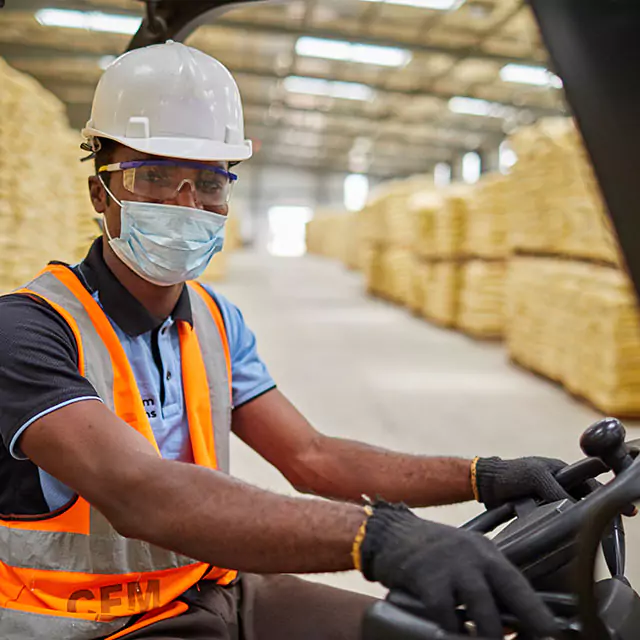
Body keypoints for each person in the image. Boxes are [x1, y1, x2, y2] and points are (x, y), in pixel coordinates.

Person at [0, 42, 568, 640]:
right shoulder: (27, 330)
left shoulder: (217, 321)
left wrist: (484, 475)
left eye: (209, 183)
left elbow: (312, 456)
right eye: (156, 177)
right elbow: (140, 493)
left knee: (433, 630)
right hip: (89, 623)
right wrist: (373, 537)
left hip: (210, 590)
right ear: (100, 194)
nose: (185, 203)